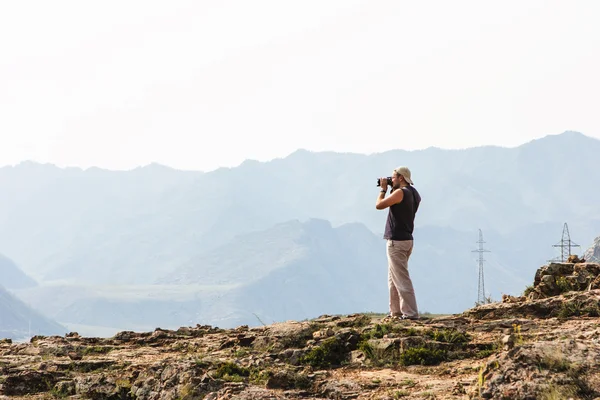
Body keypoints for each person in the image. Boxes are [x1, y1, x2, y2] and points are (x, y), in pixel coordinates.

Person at [375, 166, 421, 320]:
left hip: (396, 242)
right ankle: (395, 312)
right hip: (407, 240)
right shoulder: (414, 194)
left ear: (401, 178)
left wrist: (382, 190)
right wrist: (391, 189)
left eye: (393, 177)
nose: (390, 179)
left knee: (401, 279)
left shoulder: (401, 192)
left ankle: (411, 314)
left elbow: (379, 205)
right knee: (393, 278)